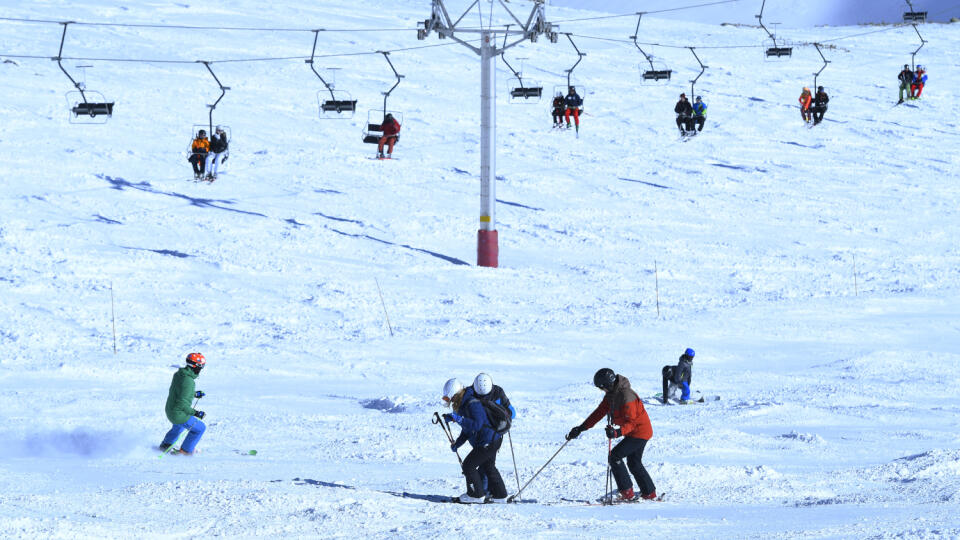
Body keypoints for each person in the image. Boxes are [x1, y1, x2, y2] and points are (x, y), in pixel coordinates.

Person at [566, 368, 657, 502]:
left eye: (601, 388)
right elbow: (598, 413)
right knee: (634, 462)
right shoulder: (612, 395)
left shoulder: (626, 397)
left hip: (639, 431)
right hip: (634, 432)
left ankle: (627, 493)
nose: (601, 391)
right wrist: (581, 428)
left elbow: (632, 423)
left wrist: (616, 432)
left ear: (607, 385)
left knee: (615, 456)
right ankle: (649, 493)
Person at [442, 377, 508, 504]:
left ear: (454, 394)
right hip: (491, 440)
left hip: (488, 441)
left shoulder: (471, 402)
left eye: (448, 398)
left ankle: (476, 495)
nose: (449, 402)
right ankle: (500, 496)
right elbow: (467, 430)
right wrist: (458, 443)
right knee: (488, 466)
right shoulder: (464, 404)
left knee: (468, 465)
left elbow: (477, 425)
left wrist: (458, 419)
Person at [463, 373, 515, 497]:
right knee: (487, 464)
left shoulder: (493, 392)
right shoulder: (496, 391)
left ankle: (483, 492)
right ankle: (494, 493)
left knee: (484, 463)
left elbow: (511, 412)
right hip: (489, 435)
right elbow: (512, 413)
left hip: (489, 437)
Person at [159, 353, 207, 455]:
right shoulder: (189, 381)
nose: (201, 369)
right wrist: (196, 413)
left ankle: (166, 445)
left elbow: (179, 392)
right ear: (196, 366)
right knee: (200, 428)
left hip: (170, 410)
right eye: (201, 366)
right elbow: (182, 405)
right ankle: (185, 451)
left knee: (179, 426)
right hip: (177, 413)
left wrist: (193, 394)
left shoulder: (179, 374)